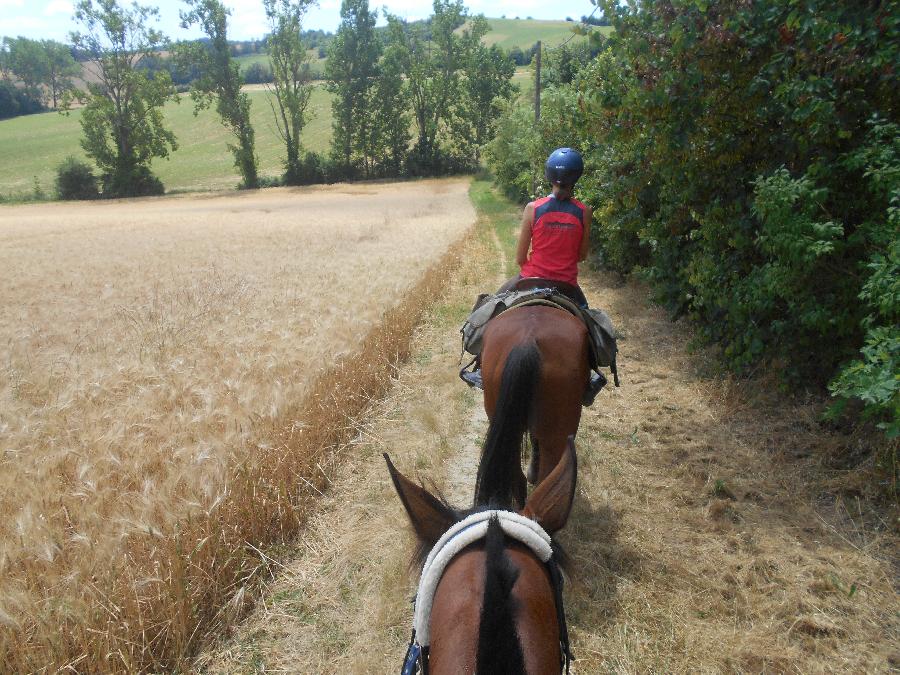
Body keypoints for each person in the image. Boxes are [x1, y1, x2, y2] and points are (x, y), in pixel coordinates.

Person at [461, 147, 608, 404]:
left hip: (530, 279)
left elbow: (520, 257)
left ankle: (482, 369)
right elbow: (582, 255)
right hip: (567, 286)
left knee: (490, 309)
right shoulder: (584, 212)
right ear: (577, 178)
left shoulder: (533, 208)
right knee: (590, 326)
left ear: (549, 175)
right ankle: (591, 377)